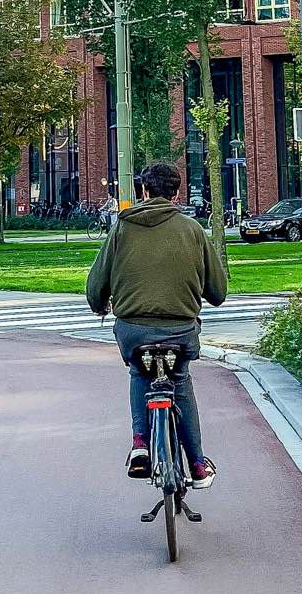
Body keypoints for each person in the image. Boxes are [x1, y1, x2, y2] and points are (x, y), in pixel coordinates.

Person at [85, 160, 228, 488]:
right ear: (176, 194)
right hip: (181, 332)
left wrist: (99, 304)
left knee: (139, 370)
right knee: (179, 381)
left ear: (144, 191)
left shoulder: (122, 226)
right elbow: (217, 292)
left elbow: (96, 286)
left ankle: (140, 444)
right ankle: (197, 464)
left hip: (134, 331)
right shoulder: (192, 230)